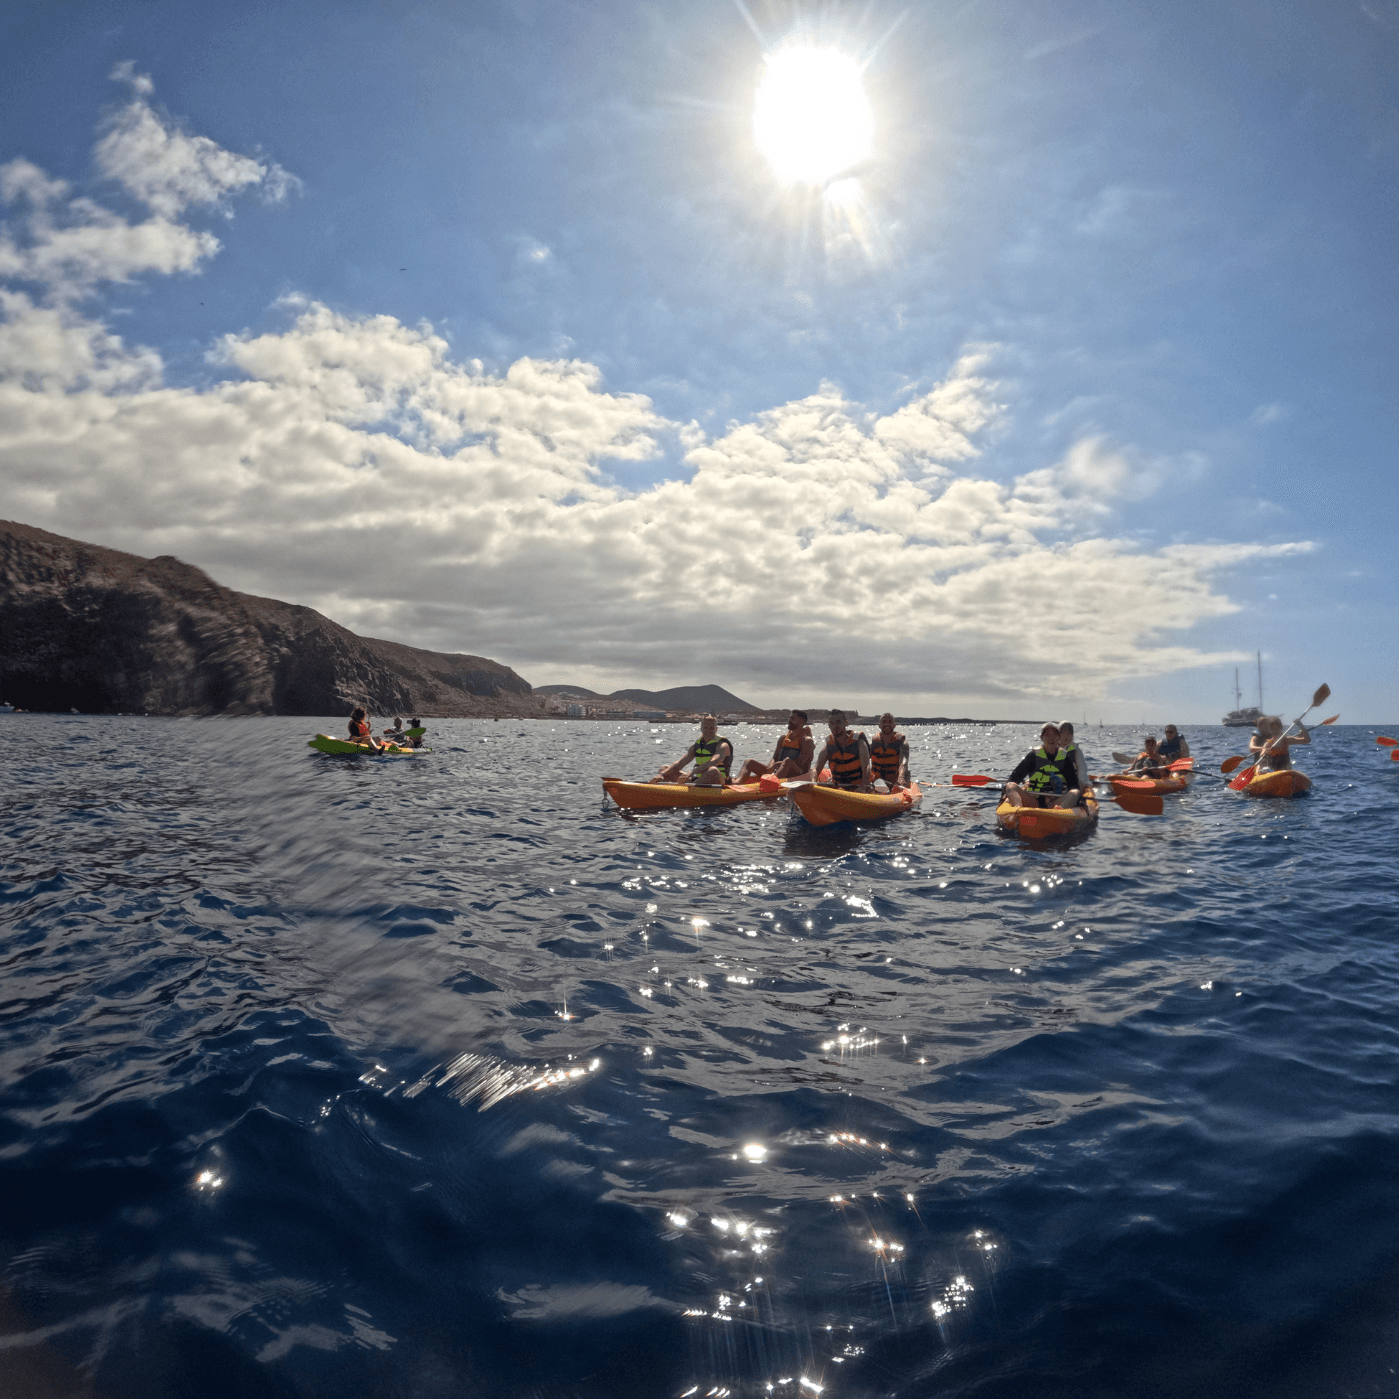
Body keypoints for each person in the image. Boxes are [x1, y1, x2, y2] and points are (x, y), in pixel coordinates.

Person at [1003, 723, 1084, 809]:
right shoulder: (1033, 756)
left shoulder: (1065, 759)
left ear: (1059, 737)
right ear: (1042, 738)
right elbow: (1015, 778)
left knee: (1076, 792)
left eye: (1054, 735)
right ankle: (1017, 811)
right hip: (1033, 801)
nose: (1051, 738)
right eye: (1047, 735)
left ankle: (1059, 812)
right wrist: (1005, 794)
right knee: (1010, 785)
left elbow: (1073, 785)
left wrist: (1076, 799)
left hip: (1056, 802)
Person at [734, 711, 814, 784]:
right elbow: (774, 758)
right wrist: (770, 767)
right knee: (749, 762)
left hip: (798, 775)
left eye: (793, 718)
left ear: (802, 721)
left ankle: (770, 784)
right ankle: (737, 783)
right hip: (778, 770)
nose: (789, 721)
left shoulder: (807, 741)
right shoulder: (783, 738)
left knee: (787, 762)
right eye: (789, 718)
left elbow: (802, 764)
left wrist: (781, 764)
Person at [655, 714, 733, 786]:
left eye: (711, 728)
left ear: (716, 729)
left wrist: (692, 772)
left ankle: (686, 791)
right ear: (701, 728)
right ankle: (660, 788)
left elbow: (713, 762)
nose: (708, 730)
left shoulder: (723, 745)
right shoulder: (696, 746)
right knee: (665, 769)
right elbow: (681, 763)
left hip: (720, 781)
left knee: (713, 770)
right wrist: (662, 774)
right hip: (699, 779)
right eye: (706, 727)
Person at [811, 710, 872, 791]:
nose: (835, 726)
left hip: (858, 786)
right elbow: (815, 769)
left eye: (838, 722)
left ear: (846, 723)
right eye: (832, 723)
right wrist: (812, 783)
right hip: (838, 788)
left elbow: (867, 768)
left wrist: (862, 787)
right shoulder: (827, 748)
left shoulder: (860, 743)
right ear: (829, 726)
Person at [869, 712, 911, 790]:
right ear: (879, 725)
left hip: (896, 780)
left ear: (894, 725)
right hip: (877, 781)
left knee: (906, 774)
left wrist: (901, 778)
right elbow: (864, 763)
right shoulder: (872, 744)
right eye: (884, 722)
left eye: (890, 722)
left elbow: (904, 762)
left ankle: (901, 788)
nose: (887, 724)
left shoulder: (902, 744)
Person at [1056, 721, 1091, 792]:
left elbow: (1082, 769)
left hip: (1072, 784)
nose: (1066, 736)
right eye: (1063, 733)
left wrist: (1081, 782)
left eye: (1069, 733)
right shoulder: (1052, 748)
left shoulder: (1076, 750)